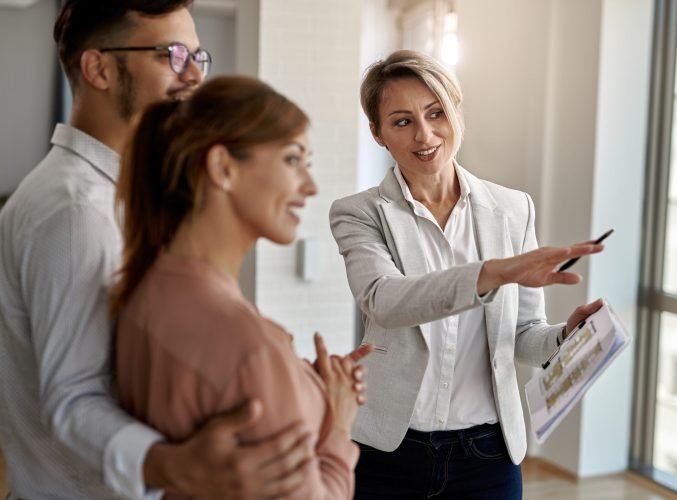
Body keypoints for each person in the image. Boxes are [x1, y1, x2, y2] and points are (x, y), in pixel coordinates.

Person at [0, 1, 335, 498]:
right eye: (172, 54)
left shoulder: (134, 197)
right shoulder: (74, 211)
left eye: (198, 56)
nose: (194, 75)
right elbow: (73, 400)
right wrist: (175, 464)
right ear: (100, 68)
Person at [329, 49, 606, 499]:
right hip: (388, 451)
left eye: (436, 112)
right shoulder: (359, 214)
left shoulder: (514, 209)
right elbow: (385, 300)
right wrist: (495, 273)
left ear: (456, 110)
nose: (425, 134)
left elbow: (522, 334)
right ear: (377, 133)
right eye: (402, 121)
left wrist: (564, 337)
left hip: (487, 455)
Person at [112, 75, 363, 500]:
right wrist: (338, 424)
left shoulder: (145, 292)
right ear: (223, 168)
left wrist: (301, 379)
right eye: (292, 160)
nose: (310, 186)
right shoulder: (252, 349)